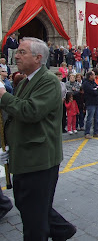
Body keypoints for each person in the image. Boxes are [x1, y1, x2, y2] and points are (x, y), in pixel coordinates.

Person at [0, 37, 76, 240]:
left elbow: (30, 111)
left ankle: (57, 231)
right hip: (25, 156)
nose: (16, 55)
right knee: (28, 205)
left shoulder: (49, 81)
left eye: (22, 52)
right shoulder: (26, 81)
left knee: (34, 221)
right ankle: (62, 230)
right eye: (17, 51)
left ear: (38, 57)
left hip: (39, 160)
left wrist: (3, 96)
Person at [83, 70, 98, 139]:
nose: (95, 76)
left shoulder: (93, 82)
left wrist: (96, 89)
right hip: (90, 102)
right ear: (90, 76)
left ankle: (96, 132)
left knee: (96, 118)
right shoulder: (86, 83)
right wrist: (96, 89)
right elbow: (93, 92)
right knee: (90, 118)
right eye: (94, 75)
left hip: (96, 102)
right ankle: (87, 133)